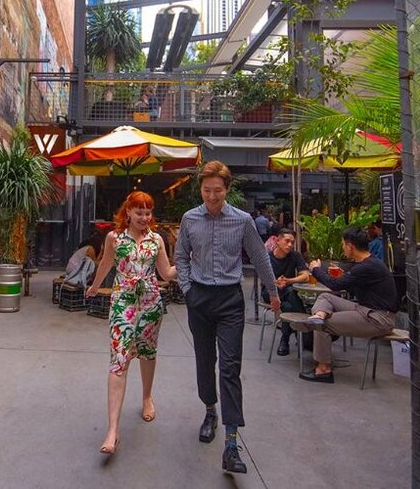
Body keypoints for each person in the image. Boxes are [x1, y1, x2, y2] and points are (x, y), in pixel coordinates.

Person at [175, 161, 278, 474]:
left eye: (217, 190)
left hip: (231, 301)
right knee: (205, 361)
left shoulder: (242, 220)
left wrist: (273, 293)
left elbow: (260, 256)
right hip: (200, 299)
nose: (212, 196)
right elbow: (180, 255)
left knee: (231, 367)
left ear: (227, 189)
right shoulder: (190, 218)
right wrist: (188, 289)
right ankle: (210, 410)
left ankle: (231, 443)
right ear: (201, 189)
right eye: (207, 190)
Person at [85, 191, 177, 455]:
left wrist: (186, 262)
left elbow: (166, 273)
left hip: (150, 303)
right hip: (123, 303)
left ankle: (147, 396)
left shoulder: (156, 240)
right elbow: (105, 263)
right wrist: (94, 286)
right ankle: (113, 431)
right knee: (119, 359)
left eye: (148, 213)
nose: (144, 218)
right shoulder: (115, 238)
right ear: (128, 212)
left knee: (147, 353)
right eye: (139, 213)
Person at [295, 226, 399, 384]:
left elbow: (335, 285)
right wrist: (343, 276)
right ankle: (318, 315)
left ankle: (323, 370)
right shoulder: (368, 264)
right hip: (366, 310)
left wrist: (316, 270)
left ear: (350, 246)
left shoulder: (367, 267)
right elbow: (345, 284)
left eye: (343, 244)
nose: (343, 248)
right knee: (326, 297)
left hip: (378, 318)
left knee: (322, 326)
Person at [261, 228, 311, 356]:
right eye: (287, 241)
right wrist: (276, 283)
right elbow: (266, 280)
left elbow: (305, 276)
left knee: (288, 304)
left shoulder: (295, 256)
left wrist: (289, 280)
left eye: (292, 242)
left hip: (288, 294)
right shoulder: (267, 258)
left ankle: (284, 340)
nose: (290, 245)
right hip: (270, 293)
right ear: (277, 241)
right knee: (290, 292)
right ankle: (306, 333)